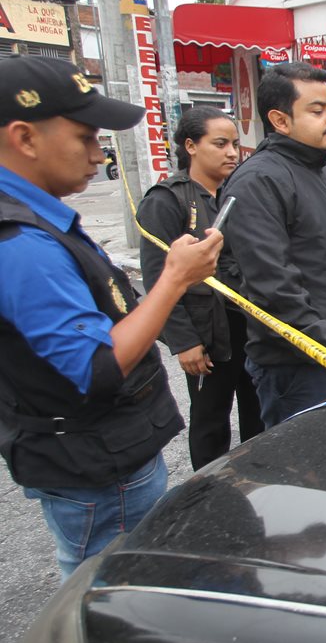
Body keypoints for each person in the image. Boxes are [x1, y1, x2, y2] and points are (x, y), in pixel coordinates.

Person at [0, 56, 223, 577]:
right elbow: (96, 368)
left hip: (104, 454)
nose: (99, 155)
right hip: (95, 463)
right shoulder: (22, 244)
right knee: (106, 593)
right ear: (25, 139)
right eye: (84, 137)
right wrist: (173, 280)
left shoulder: (39, 219)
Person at [222, 62, 326, 428]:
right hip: (300, 368)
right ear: (280, 120)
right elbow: (272, 287)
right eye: (317, 111)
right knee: (310, 474)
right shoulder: (258, 182)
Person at [136, 106, 264, 470]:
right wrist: (184, 342)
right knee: (211, 419)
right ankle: (207, 493)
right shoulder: (167, 200)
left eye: (236, 144)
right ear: (190, 146)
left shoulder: (238, 191)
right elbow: (158, 276)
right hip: (207, 332)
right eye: (220, 143)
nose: (231, 152)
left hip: (250, 326)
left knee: (257, 413)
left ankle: (257, 483)